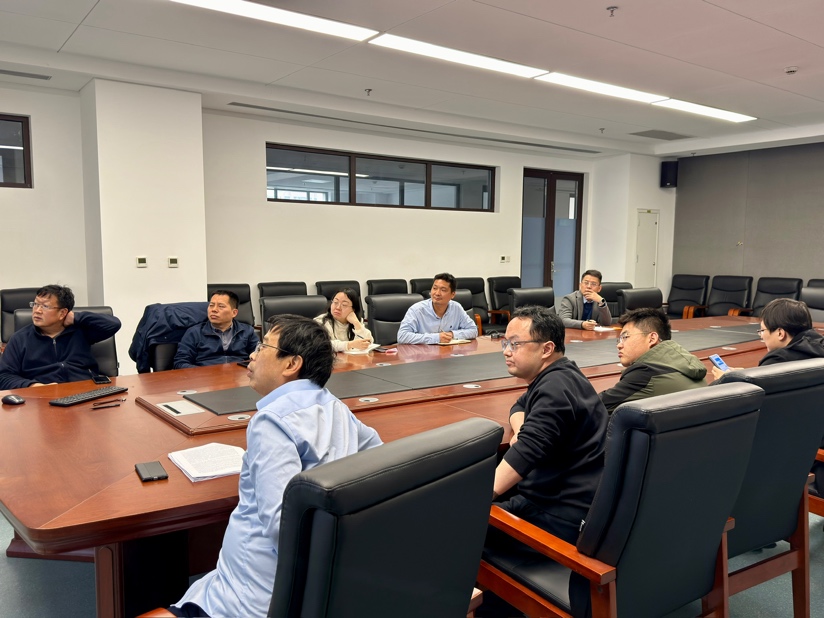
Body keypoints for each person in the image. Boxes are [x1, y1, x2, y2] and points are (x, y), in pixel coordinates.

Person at [171, 315, 383, 617]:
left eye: (263, 346)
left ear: (291, 364)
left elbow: (281, 526)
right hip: (325, 585)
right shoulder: (335, 406)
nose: (252, 355)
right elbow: (382, 460)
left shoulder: (271, 421)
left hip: (252, 598)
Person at [491, 305, 607, 545]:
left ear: (546, 349)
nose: (506, 351)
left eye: (515, 344)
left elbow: (527, 451)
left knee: (455, 524)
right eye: (505, 343)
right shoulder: (562, 374)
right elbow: (519, 406)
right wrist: (523, 429)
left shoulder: (554, 389)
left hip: (555, 516)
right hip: (568, 500)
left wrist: (469, 500)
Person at [0, 285, 121, 389]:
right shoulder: (20, 339)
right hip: (43, 396)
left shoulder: (80, 331)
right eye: (35, 304)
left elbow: (113, 324)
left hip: (85, 390)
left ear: (62, 313)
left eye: (45, 306)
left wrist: (76, 318)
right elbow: (4, 377)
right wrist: (33, 386)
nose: (37, 311)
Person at [598, 308, 706, 414]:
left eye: (625, 337)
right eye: (619, 340)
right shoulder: (681, 362)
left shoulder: (645, 372)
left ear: (652, 338)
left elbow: (595, 406)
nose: (619, 345)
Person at [173, 290, 259, 369]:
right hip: (206, 376)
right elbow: (180, 362)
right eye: (211, 305)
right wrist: (201, 373)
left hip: (239, 375)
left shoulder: (247, 331)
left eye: (221, 306)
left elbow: (259, 356)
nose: (214, 310)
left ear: (234, 313)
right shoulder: (194, 332)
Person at [397, 273, 478, 344]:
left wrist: (452, 334)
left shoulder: (456, 308)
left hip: (449, 353)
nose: (437, 293)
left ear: (452, 294)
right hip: (423, 354)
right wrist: (437, 338)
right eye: (435, 288)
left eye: (443, 290)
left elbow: (473, 330)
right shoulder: (417, 310)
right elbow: (402, 336)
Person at [315, 288, 374, 352]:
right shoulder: (320, 321)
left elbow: (368, 342)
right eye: (335, 302)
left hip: (353, 358)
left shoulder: (356, 320)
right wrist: (349, 345)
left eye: (344, 305)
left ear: (353, 309)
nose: (338, 307)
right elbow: (322, 344)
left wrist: (356, 323)